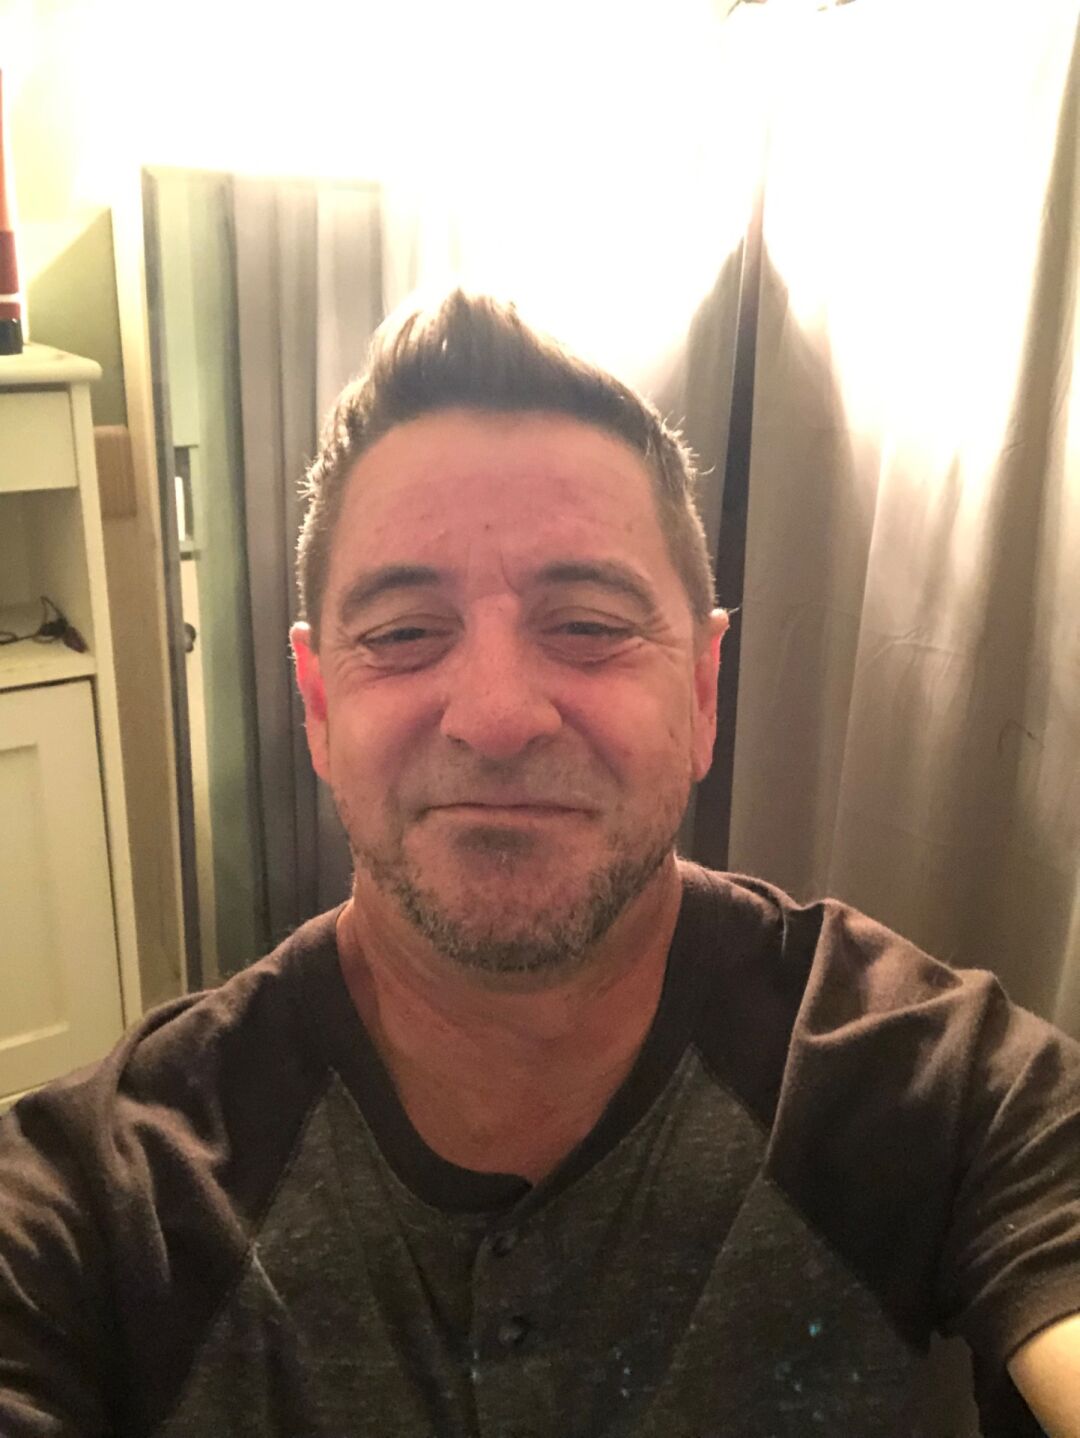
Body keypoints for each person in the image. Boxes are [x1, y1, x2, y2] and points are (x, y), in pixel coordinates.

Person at [1, 292, 1077, 1438]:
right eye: (404, 633)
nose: (499, 716)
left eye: (590, 624)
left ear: (702, 690)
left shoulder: (935, 1086)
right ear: (318, 706)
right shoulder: (101, 1203)